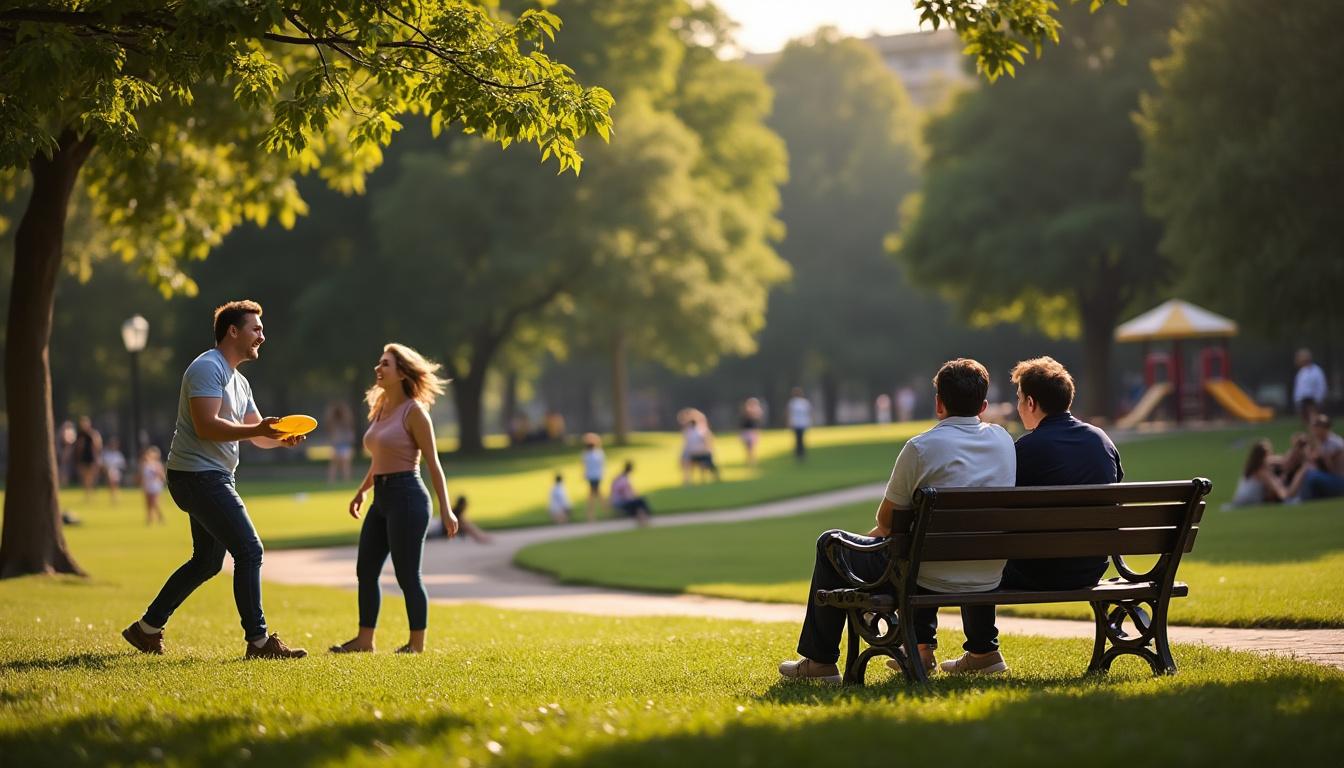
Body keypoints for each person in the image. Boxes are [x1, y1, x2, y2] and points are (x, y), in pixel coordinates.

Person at [779, 359, 1014, 683]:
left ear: (938, 403)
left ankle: (820, 663)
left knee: (830, 543)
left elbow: (887, 522)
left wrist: (868, 539)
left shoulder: (921, 447)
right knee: (919, 543)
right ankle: (984, 651)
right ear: (984, 405)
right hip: (987, 571)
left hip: (925, 573)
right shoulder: (1003, 441)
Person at [123, 300, 309, 659]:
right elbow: (208, 426)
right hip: (197, 476)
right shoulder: (207, 368)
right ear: (233, 331)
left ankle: (147, 629)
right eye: (256, 329)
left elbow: (255, 435)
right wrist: (257, 428)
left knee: (207, 562)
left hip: (213, 475)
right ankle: (258, 642)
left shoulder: (239, 380)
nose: (262, 336)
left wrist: (281, 438)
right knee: (249, 550)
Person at [947, 356, 1123, 674]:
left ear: (1030, 401)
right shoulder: (1102, 441)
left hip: (1038, 571)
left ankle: (982, 652)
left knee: (978, 554)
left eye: (1018, 399)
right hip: (1089, 568)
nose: (1018, 406)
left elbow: (996, 511)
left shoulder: (1026, 449)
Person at [331, 343, 459, 655]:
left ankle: (416, 644)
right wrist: (363, 490)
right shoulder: (380, 408)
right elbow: (379, 458)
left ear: (402, 373)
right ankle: (364, 640)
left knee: (406, 574)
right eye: (379, 363)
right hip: (382, 497)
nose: (378, 368)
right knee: (366, 570)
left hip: (408, 497)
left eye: (385, 364)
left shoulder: (414, 412)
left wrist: (447, 509)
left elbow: (433, 463)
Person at [1228, 439, 1299, 507]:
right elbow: (1280, 494)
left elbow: (1279, 460)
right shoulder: (1261, 472)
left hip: (1238, 502)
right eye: (1269, 454)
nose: (1271, 457)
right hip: (1246, 504)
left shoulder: (1251, 470)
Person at [1299, 414, 1344, 501]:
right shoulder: (1323, 442)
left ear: (1324, 429)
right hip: (1332, 478)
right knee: (1309, 471)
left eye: (1317, 427)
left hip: (1339, 480)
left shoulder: (1334, 443)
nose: (1314, 431)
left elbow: (1328, 467)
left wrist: (1313, 447)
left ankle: (1304, 500)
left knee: (1311, 475)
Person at [681, 412, 720, 483]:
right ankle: (701, 479)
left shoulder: (689, 431)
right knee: (705, 464)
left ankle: (689, 480)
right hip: (700, 453)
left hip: (697, 453)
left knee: (701, 464)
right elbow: (708, 441)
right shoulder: (701, 430)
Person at [609, 460, 652, 526]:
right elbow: (624, 494)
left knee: (638, 502)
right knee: (639, 502)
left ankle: (642, 518)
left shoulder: (621, 477)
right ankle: (644, 518)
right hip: (620, 502)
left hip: (620, 501)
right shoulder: (623, 479)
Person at [1293, 349, 1327, 426]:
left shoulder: (1316, 371)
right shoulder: (1301, 372)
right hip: (1303, 400)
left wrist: (1319, 399)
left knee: (1315, 421)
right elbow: (1299, 389)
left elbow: (1321, 386)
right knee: (1306, 422)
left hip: (1312, 400)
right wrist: (1297, 400)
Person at [73, 416, 102, 503]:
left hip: (91, 458)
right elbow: (78, 447)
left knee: (90, 476)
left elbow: (97, 446)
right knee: (84, 477)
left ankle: (90, 493)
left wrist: (97, 458)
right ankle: (87, 494)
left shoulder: (92, 434)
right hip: (83, 458)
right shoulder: (80, 435)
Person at [326, 400, 356, 484]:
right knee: (334, 463)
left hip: (345, 443)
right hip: (336, 443)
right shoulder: (333, 420)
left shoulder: (346, 420)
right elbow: (329, 422)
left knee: (345, 464)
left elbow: (349, 419)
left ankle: (346, 481)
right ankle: (331, 481)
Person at [582, 433, 605, 522]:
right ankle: (600, 512)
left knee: (594, 496)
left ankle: (591, 515)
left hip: (593, 476)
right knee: (597, 495)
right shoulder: (598, 453)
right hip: (595, 476)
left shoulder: (587, 454)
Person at [140, 446, 167, 525]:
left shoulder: (157, 464)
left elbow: (162, 476)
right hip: (147, 486)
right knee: (148, 503)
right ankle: (149, 519)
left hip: (155, 486)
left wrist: (161, 479)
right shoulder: (145, 464)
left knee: (154, 502)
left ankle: (161, 517)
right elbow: (143, 476)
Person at [787, 387, 812, 460]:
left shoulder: (804, 402)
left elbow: (808, 413)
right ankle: (798, 454)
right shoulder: (792, 403)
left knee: (801, 439)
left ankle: (801, 453)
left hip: (802, 423)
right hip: (796, 423)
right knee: (797, 439)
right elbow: (789, 413)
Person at [739, 397, 764, 467]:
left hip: (752, 431)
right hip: (746, 431)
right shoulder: (745, 411)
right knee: (747, 448)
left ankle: (753, 461)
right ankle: (749, 460)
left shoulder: (756, 413)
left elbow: (758, 421)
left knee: (752, 447)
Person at [102, 436, 127, 503]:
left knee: (115, 482)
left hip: (117, 471)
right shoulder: (106, 454)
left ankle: (115, 495)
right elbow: (104, 463)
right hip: (109, 471)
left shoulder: (118, 454)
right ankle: (113, 495)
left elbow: (122, 464)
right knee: (111, 479)